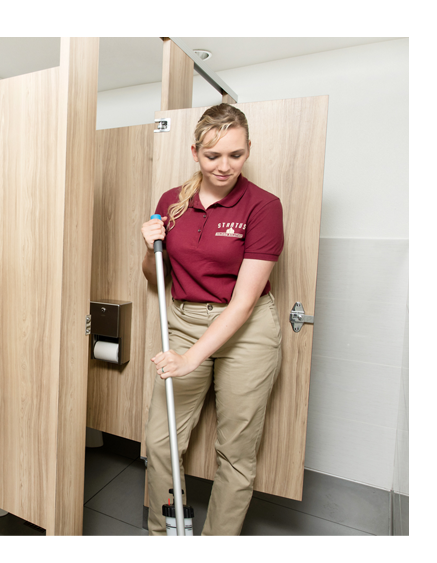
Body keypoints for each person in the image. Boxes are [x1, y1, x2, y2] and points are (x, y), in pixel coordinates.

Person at [140, 103, 283, 536]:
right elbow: (156, 278)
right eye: (212, 156)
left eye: (235, 155)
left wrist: (190, 360)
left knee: (235, 452)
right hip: (184, 320)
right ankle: (164, 534)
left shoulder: (263, 206)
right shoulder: (171, 202)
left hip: (248, 330)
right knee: (161, 441)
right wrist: (150, 248)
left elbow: (242, 304)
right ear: (194, 152)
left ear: (248, 150)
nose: (224, 166)